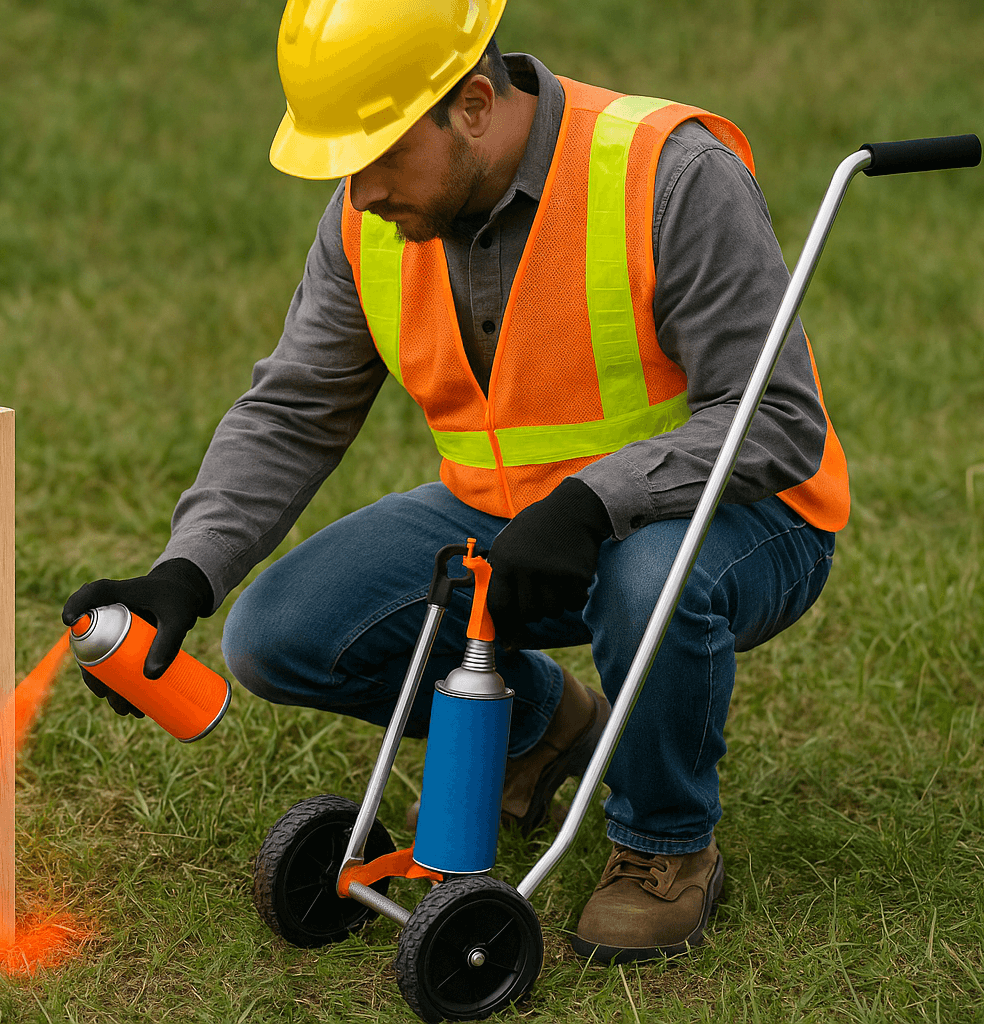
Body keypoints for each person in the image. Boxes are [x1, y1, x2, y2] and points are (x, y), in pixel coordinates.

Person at [64, 0, 847, 965]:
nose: (359, 193)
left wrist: (593, 503)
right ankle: (541, 731)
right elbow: (294, 409)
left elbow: (775, 418)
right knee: (280, 635)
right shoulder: (369, 218)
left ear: (473, 105)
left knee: (648, 579)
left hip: (738, 515)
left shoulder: (671, 175)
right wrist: (187, 569)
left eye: (378, 156)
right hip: (509, 517)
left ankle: (663, 846)